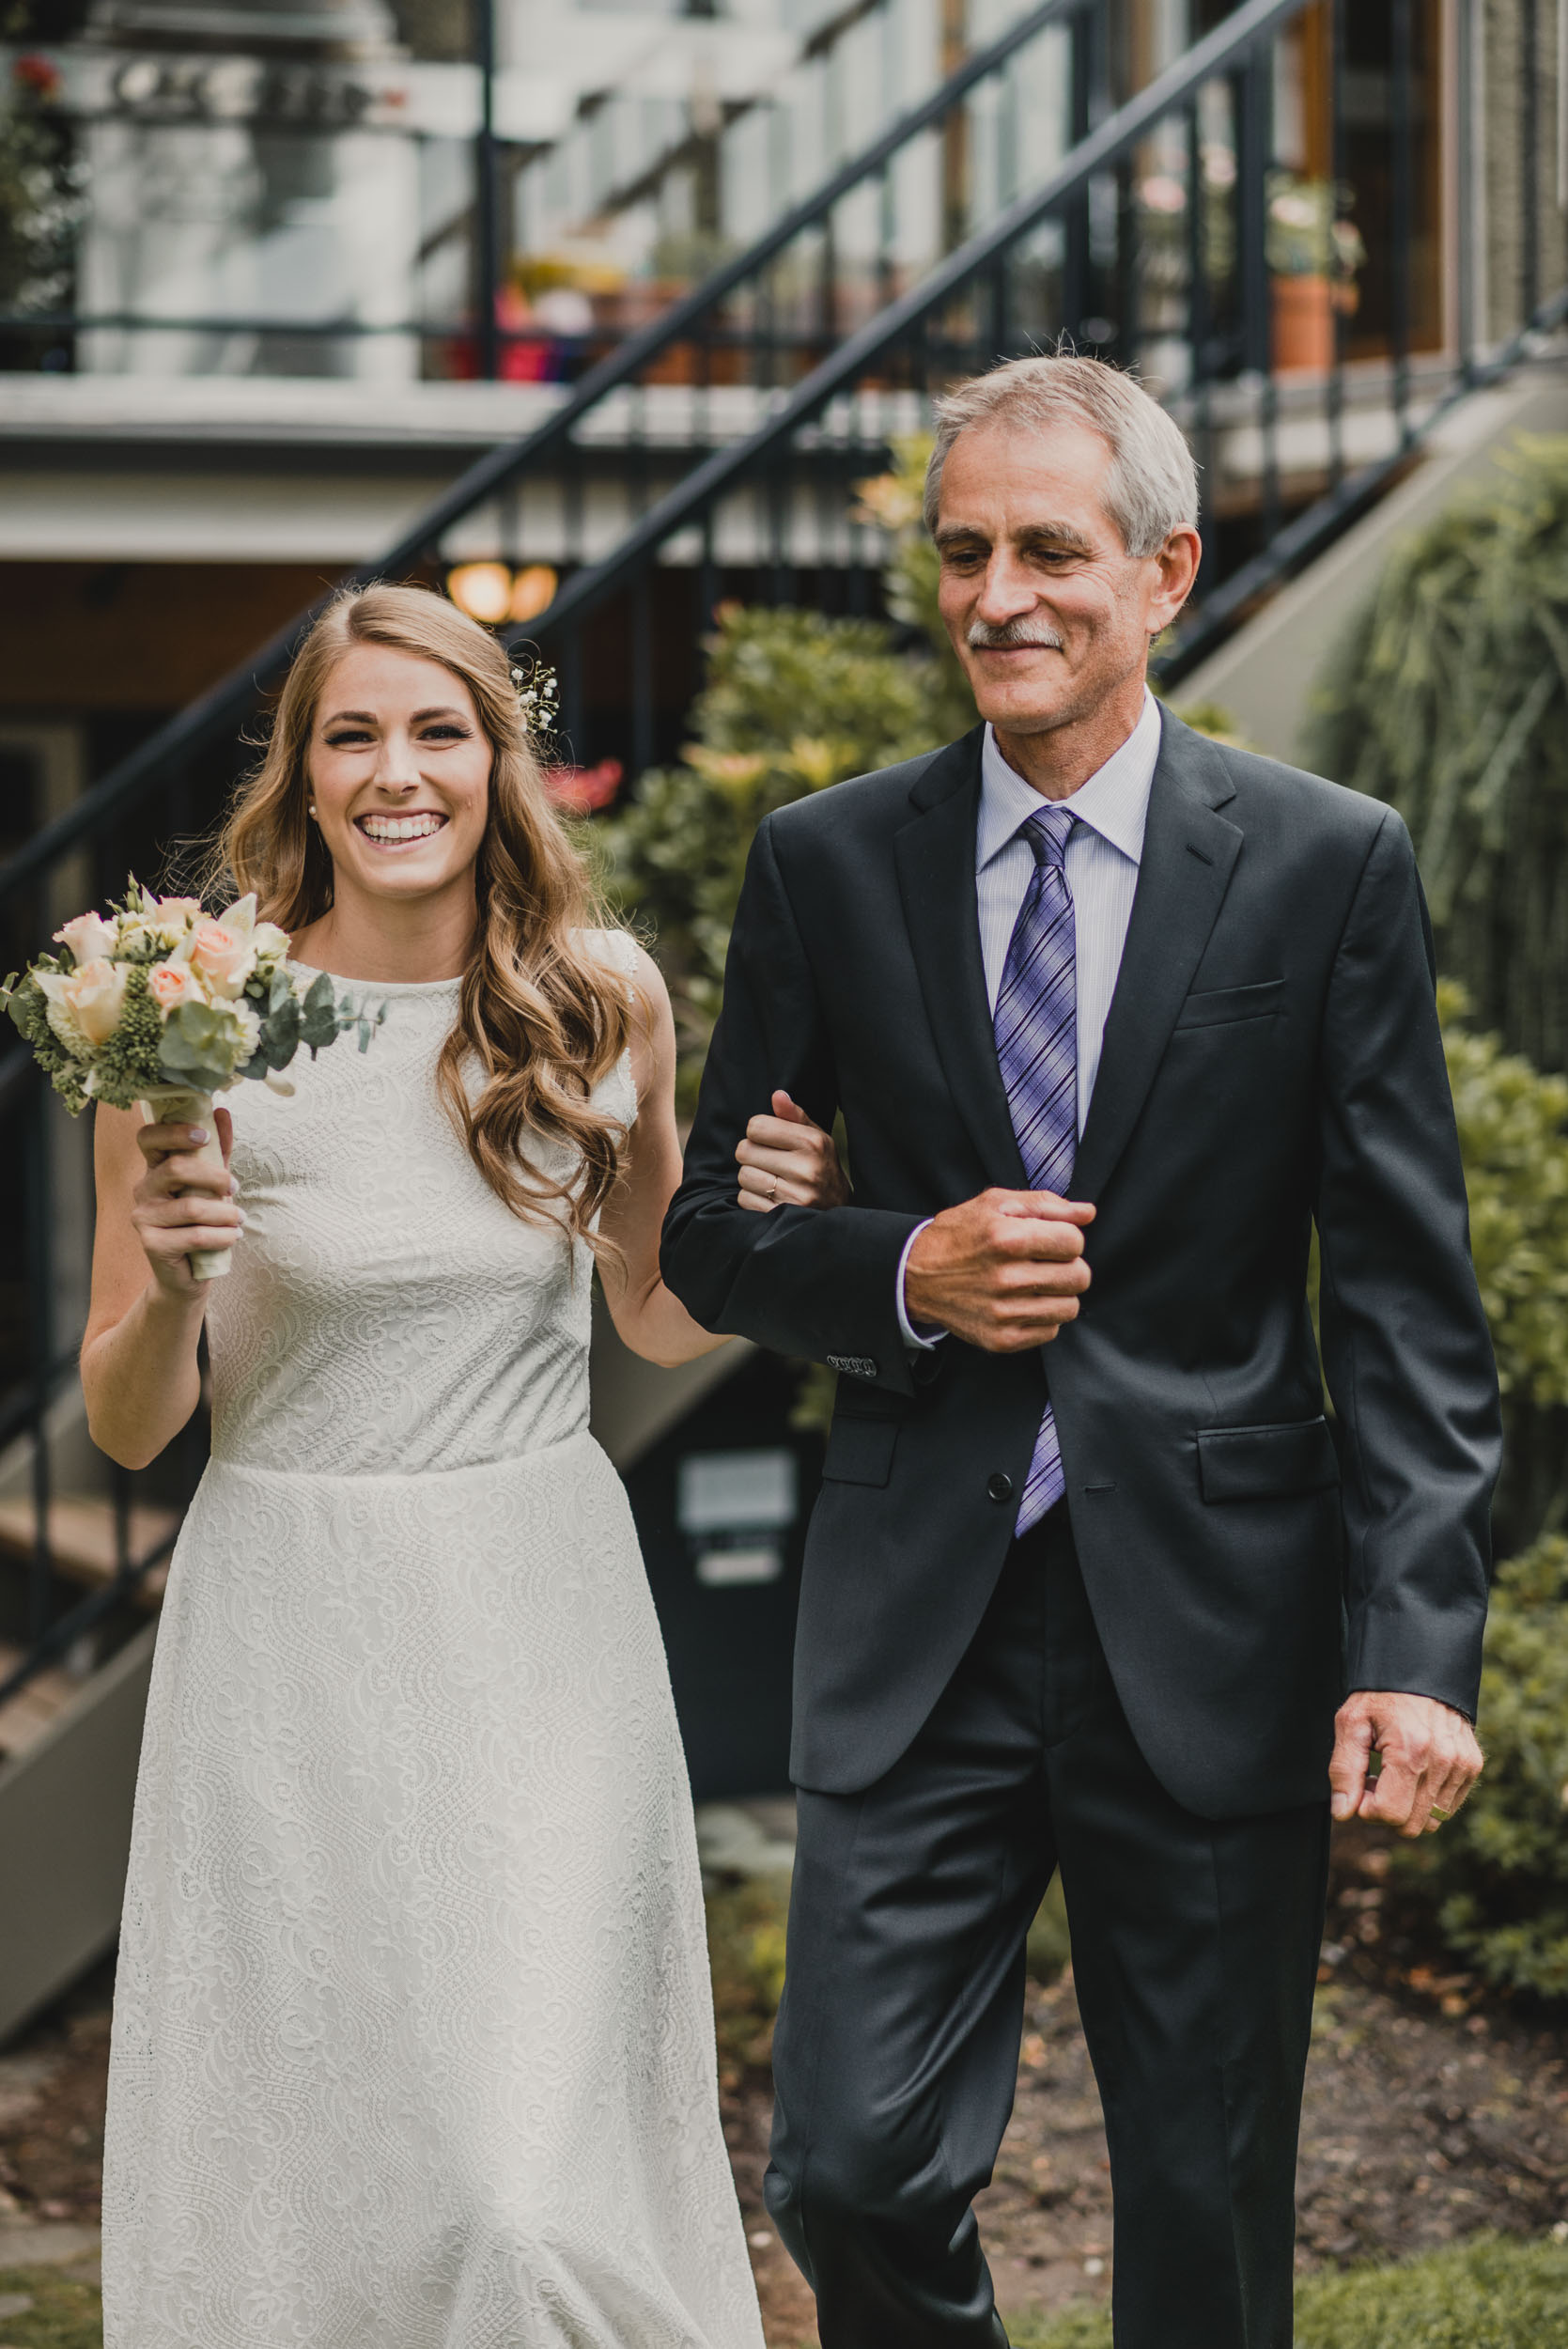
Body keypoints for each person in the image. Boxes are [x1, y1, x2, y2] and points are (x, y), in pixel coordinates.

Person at [666, 354, 1501, 2349]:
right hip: (917, 1609)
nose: (995, 592)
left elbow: (1401, 1292)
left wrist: (1411, 1642)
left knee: (1205, 2195)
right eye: (962, 550)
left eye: (1049, 546)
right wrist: (899, 1265)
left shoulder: (1323, 862)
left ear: (1166, 570)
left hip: (1216, 1608)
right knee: (844, 2166)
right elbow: (715, 1230)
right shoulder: (826, 861)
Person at [84, 583, 844, 2349]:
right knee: (327, 2153)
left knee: (523, 2186)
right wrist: (179, 1277)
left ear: (501, 762)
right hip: (288, 1624)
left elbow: (652, 1313)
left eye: (440, 730)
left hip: (535, 1615)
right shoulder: (192, 1021)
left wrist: (768, 1237)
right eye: (353, 733)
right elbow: (132, 1425)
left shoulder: (595, 1002)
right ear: (304, 771)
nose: (396, 771)